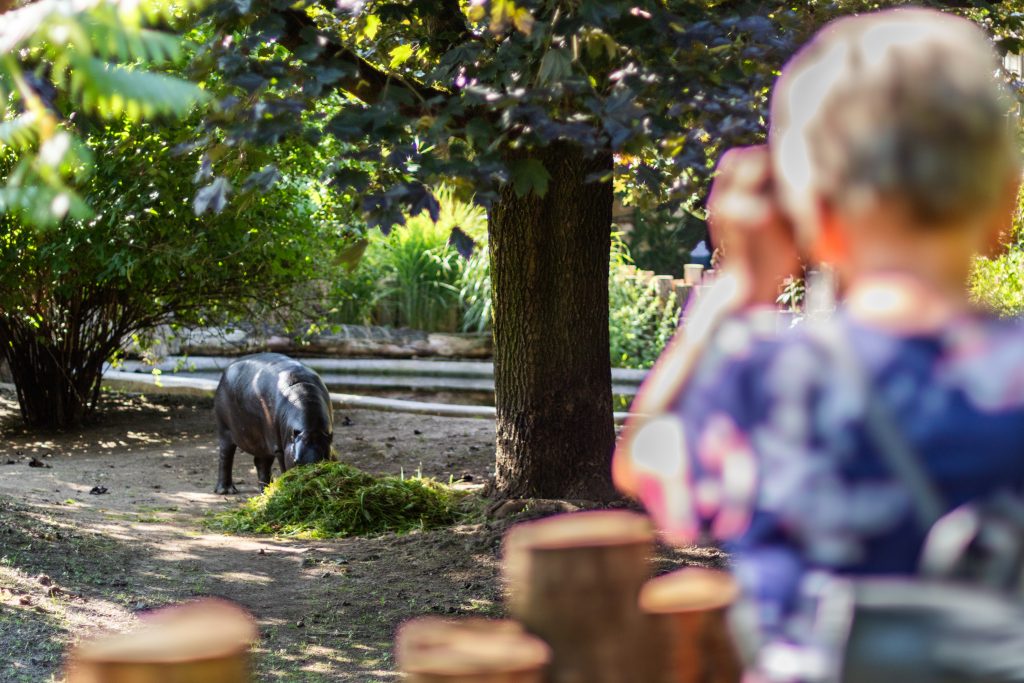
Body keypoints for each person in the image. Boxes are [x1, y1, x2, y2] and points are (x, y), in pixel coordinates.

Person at [613, 7, 1024, 681]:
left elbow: (641, 463)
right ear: (1005, 204)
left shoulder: (764, 382)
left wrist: (735, 290)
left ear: (815, 221)